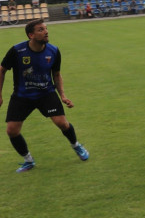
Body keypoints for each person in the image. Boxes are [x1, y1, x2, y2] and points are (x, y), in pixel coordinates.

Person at [1, 20, 89, 173]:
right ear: (31, 35)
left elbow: (56, 74)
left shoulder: (54, 51)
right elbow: (2, 70)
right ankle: (28, 160)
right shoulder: (17, 50)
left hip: (46, 93)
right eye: (41, 29)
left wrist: (62, 95)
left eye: (46, 29)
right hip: (22, 95)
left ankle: (76, 146)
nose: (46, 32)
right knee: (12, 130)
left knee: (62, 123)